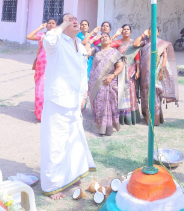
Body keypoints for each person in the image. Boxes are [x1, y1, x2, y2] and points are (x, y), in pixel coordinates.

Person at [40, 13, 95, 199]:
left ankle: (71, 176)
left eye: (75, 19)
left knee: (74, 141)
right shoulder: (56, 42)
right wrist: (63, 23)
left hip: (73, 102)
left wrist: (82, 95)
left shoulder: (79, 46)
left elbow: (81, 73)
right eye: (69, 19)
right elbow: (48, 39)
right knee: (55, 144)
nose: (74, 21)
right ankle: (52, 185)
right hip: (57, 100)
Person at [133, 28, 179, 126]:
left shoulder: (162, 43)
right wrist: (142, 35)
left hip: (155, 71)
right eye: (150, 30)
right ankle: (146, 117)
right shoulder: (145, 41)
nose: (152, 32)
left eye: (155, 30)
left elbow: (165, 57)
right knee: (145, 93)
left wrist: (161, 71)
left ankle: (155, 119)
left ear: (158, 32)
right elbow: (135, 44)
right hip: (144, 71)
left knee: (154, 93)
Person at [85, 33, 123, 136]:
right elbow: (85, 53)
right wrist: (92, 41)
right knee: (98, 104)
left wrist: (112, 76)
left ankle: (110, 128)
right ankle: (100, 128)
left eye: (106, 36)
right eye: (102, 37)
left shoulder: (115, 53)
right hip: (95, 81)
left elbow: (120, 66)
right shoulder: (96, 49)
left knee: (110, 104)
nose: (104, 38)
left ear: (111, 40)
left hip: (109, 82)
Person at [27, 19, 57, 121]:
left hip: (54, 66)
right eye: (49, 23)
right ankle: (40, 114)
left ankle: (51, 114)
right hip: (41, 66)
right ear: (46, 25)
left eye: (53, 23)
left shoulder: (59, 37)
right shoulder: (42, 35)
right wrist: (40, 28)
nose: (51, 25)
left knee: (52, 90)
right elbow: (29, 36)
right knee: (40, 90)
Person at [113, 24, 141, 125]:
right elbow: (108, 45)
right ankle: (121, 116)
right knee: (120, 90)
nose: (125, 31)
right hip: (120, 70)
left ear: (130, 31)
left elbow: (137, 58)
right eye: (124, 29)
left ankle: (131, 117)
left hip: (131, 70)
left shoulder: (134, 43)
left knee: (131, 91)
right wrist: (116, 35)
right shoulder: (118, 42)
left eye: (127, 29)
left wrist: (138, 71)